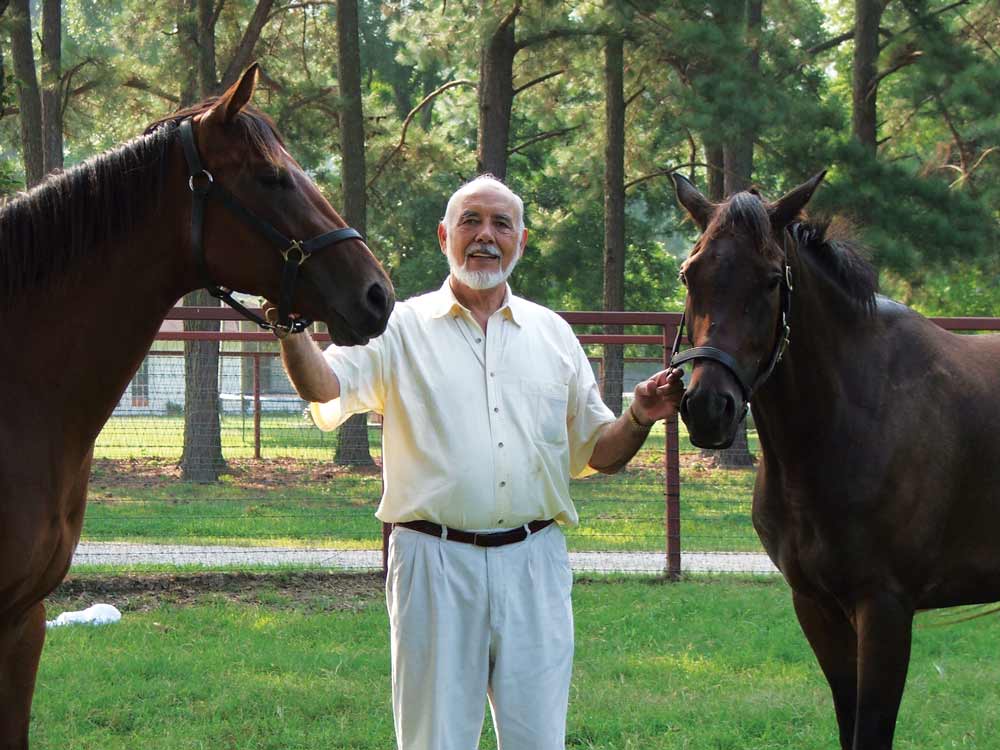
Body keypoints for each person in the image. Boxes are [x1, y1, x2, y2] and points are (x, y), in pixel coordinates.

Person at [272, 174, 684, 750]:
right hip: (433, 562)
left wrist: (638, 416)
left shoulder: (553, 334)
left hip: (536, 563)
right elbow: (325, 386)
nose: (485, 235)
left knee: (539, 742)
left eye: (501, 224)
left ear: (521, 241)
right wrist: (289, 328)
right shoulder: (399, 328)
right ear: (445, 236)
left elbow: (597, 451)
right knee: (434, 741)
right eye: (470, 221)